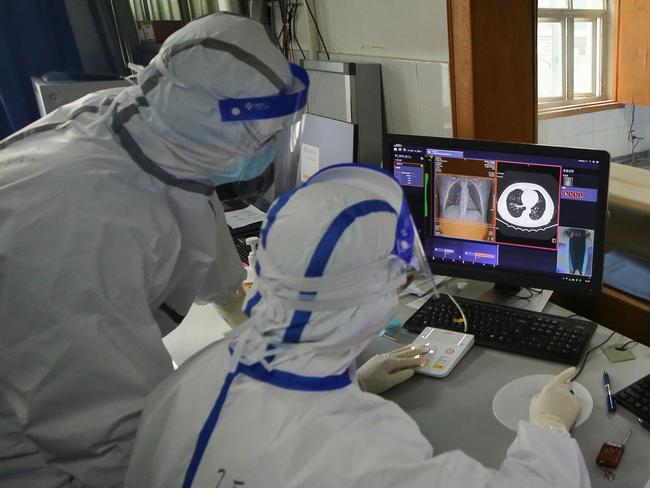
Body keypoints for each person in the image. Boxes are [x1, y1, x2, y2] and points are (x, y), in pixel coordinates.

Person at [125, 164, 590, 488]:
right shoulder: (368, 448)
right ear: (367, 299)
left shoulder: (189, 377)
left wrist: (358, 385)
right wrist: (549, 427)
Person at [0, 13, 314, 487]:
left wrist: (271, 344)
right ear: (216, 129)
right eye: (263, 137)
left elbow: (191, 193)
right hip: (31, 442)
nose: (269, 151)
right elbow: (107, 438)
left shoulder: (150, 126)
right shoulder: (85, 222)